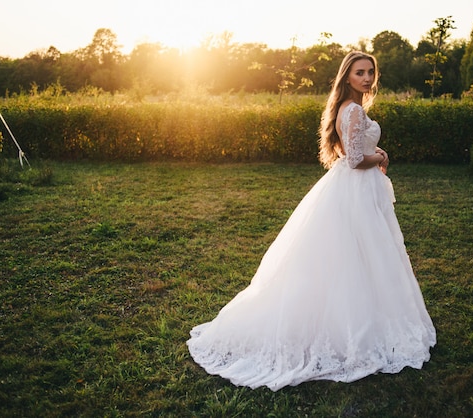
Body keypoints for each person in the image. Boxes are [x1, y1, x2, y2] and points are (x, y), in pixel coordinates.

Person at [187, 51, 436, 391]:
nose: (366, 78)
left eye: (370, 73)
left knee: (364, 256)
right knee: (353, 254)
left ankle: (366, 317)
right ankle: (348, 328)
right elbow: (352, 159)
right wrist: (380, 155)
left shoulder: (351, 109)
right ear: (347, 76)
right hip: (354, 190)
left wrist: (374, 155)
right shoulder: (352, 110)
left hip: (359, 191)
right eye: (359, 72)